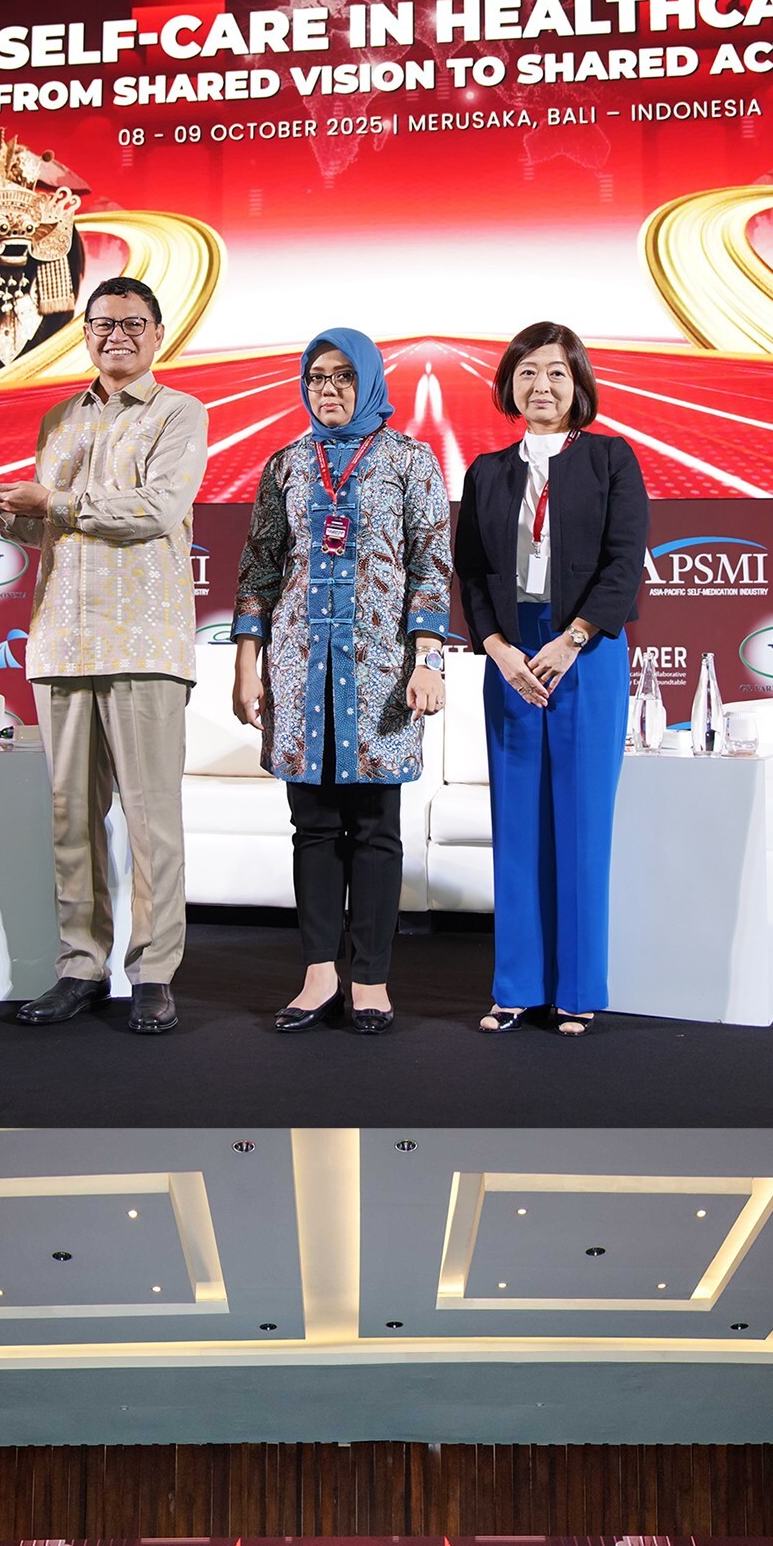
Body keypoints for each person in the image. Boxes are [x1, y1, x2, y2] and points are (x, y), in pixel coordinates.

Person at [0, 277, 207, 1036]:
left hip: (144, 642)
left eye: (132, 324)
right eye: (102, 323)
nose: (117, 335)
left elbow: (157, 509)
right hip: (63, 638)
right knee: (70, 820)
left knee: (152, 821)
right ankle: (81, 965)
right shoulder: (57, 418)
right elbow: (42, 530)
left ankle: (152, 971)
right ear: (83, 332)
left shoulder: (180, 413)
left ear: (157, 332)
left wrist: (54, 505)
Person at [231, 328, 450, 1033]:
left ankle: (372, 979)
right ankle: (319, 972)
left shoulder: (410, 460)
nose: (329, 389)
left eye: (344, 377)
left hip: (383, 671)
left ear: (370, 382)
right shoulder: (286, 464)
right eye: (318, 376)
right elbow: (261, 565)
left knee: (377, 830)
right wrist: (246, 660)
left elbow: (431, 564)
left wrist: (428, 658)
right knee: (313, 827)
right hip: (298, 671)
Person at [453, 318, 649, 1033]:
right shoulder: (487, 472)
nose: (542, 385)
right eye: (528, 372)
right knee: (518, 823)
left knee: (582, 824)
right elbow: (472, 573)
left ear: (579, 385)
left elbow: (624, 562)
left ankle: (577, 992)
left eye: (557, 373)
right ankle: (516, 985)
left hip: (585, 652)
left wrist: (571, 640)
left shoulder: (611, 460)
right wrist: (498, 647)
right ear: (510, 384)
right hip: (511, 655)